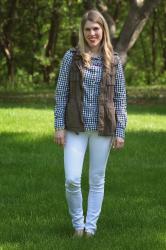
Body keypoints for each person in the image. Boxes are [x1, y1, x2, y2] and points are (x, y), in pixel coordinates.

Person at [54, 9, 127, 237]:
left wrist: (120, 130)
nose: (92, 33)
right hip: (75, 126)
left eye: (96, 28)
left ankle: (90, 228)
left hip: (103, 128)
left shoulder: (114, 60)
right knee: (72, 179)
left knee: (97, 179)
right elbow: (61, 93)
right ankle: (78, 225)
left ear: (103, 30)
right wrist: (59, 126)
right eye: (87, 29)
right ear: (82, 32)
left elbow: (121, 98)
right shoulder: (71, 57)